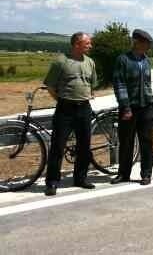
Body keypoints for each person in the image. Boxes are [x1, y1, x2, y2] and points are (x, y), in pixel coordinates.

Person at [44, 32, 97, 196]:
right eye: (87, 43)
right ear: (76, 44)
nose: (90, 46)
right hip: (65, 109)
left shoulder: (90, 62)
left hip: (84, 108)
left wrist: (87, 94)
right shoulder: (61, 61)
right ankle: (52, 182)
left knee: (84, 146)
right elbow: (50, 86)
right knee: (58, 146)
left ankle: (80, 178)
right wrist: (62, 100)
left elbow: (92, 83)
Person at [111, 29, 153, 186]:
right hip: (129, 107)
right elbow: (119, 84)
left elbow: (147, 84)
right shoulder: (123, 60)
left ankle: (146, 174)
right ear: (136, 42)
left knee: (147, 142)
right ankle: (123, 174)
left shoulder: (146, 60)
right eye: (146, 43)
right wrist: (126, 107)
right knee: (126, 142)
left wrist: (150, 100)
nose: (149, 46)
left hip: (146, 106)